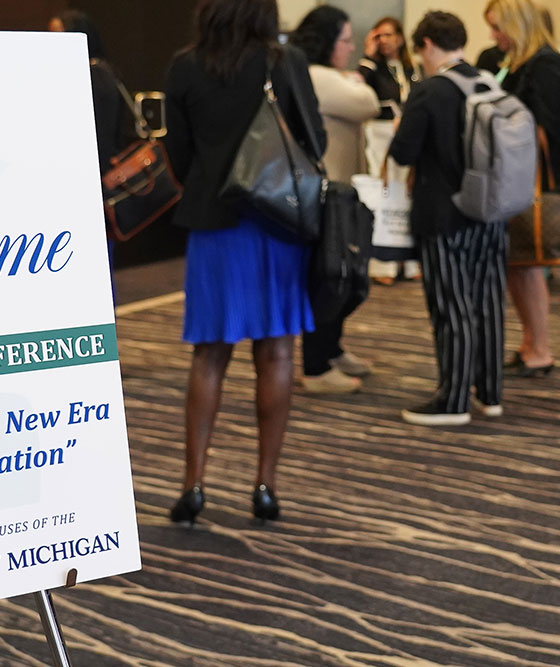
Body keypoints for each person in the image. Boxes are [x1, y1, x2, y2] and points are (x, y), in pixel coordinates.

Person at [164, 0, 325, 524]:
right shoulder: (285, 61)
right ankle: (265, 485)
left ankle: (193, 485)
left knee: (208, 356)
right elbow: (314, 141)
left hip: (214, 225)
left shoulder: (185, 65)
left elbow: (180, 157)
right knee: (276, 352)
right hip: (277, 224)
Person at [389, 11, 510, 425]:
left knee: (451, 305)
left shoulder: (429, 91)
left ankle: (453, 400)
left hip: (443, 214)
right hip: (491, 211)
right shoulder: (488, 82)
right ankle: (489, 393)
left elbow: (403, 153)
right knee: (488, 302)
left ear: (426, 45)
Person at [288, 6, 379, 394]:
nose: (351, 47)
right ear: (326, 42)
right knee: (330, 276)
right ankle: (316, 365)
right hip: (325, 196)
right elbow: (369, 103)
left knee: (344, 274)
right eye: (345, 40)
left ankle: (331, 350)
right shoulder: (318, 76)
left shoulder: (324, 76)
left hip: (338, 193)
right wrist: (355, 82)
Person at [485, 0, 559, 377]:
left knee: (528, 267)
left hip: (534, 184)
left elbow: (547, 130)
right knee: (519, 266)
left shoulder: (544, 66)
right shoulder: (517, 63)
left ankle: (540, 349)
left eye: (498, 27)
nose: (494, 35)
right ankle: (531, 343)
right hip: (516, 180)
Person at [48, 10, 134, 295]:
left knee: (94, 268)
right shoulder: (104, 73)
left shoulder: (90, 77)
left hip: (91, 184)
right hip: (98, 181)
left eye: (57, 35)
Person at [358, 16, 423, 286]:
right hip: (379, 135)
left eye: (387, 35)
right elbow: (357, 87)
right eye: (378, 36)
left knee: (407, 195)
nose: (383, 41)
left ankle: (409, 262)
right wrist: (368, 55)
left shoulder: (412, 68)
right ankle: (382, 264)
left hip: (406, 135)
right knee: (383, 195)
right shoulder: (372, 69)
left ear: (399, 37)